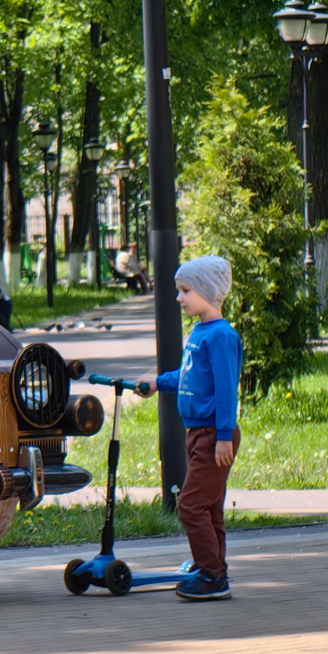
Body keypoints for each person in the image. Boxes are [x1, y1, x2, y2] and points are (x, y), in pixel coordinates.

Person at [138, 255, 242, 601]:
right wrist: (158, 382)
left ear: (207, 292)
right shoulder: (200, 332)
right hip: (198, 433)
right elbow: (189, 377)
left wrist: (224, 436)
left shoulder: (221, 336)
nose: (179, 298)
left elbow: (227, 390)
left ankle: (212, 577)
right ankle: (212, 568)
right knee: (209, 507)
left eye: (185, 290)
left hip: (215, 434)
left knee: (191, 505)